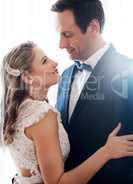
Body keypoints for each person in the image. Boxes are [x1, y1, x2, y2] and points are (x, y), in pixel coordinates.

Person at [1, 42, 133, 184]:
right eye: (44, 61)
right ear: (27, 77)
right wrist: (107, 151)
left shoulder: (16, 110)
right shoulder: (41, 114)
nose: (55, 63)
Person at [51, 0, 133, 184]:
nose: (61, 44)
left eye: (67, 34)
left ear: (93, 28)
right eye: (59, 35)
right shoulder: (65, 75)